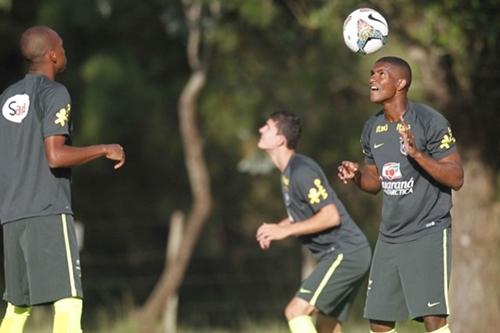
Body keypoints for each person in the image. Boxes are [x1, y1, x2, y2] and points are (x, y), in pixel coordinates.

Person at [0, 26, 125, 333]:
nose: (65, 52)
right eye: (63, 47)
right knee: (69, 301)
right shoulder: (55, 93)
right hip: (47, 211)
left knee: (17, 308)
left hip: (12, 216)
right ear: (53, 55)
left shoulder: (7, 97)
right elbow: (55, 156)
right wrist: (104, 148)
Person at [337, 56, 463, 333]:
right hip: (390, 236)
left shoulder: (430, 121)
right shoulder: (372, 128)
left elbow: (456, 177)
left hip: (428, 231)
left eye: (381, 74)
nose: (372, 79)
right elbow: (375, 181)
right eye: (371, 74)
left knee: (433, 319)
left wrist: (417, 154)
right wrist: (358, 174)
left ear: (401, 83)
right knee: (379, 322)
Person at [256, 110, 371, 333]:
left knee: (295, 311)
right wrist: (278, 228)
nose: (261, 129)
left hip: (346, 253)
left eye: (267, 127)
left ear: (280, 139)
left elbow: (330, 215)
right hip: (347, 254)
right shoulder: (289, 173)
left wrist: (285, 232)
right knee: (327, 329)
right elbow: (302, 217)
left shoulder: (301, 171)